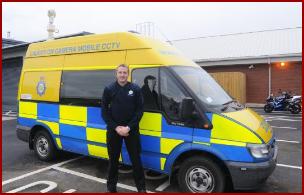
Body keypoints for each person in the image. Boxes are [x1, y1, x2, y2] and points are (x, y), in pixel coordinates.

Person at [101, 64, 146, 193]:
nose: (122, 75)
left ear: (128, 74)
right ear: (116, 74)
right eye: (120, 72)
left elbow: (139, 111)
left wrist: (128, 127)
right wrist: (116, 128)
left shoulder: (135, 89)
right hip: (114, 130)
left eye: (125, 73)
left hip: (131, 130)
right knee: (113, 160)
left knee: (136, 160)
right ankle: (111, 188)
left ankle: (141, 188)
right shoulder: (109, 89)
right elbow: (104, 112)